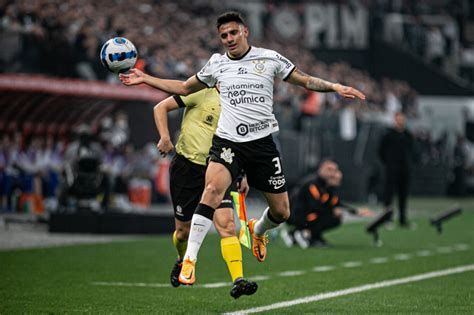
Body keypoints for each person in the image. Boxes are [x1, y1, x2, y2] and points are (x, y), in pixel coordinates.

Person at [119, 11, 365, 285]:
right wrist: (146, 78)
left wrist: (334, 86)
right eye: (223, 35)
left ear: (245, 31)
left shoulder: (269, 58)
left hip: (262, 146)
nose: (228, 39)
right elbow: (184, 87)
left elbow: (305, 80)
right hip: (228, 144)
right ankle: (189, 261)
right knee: (211, 191)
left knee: (282, 212)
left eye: (233, 33)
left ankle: (257, 231)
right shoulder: (216, 64)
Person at [153, 88, 257, 298]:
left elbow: (243, 141)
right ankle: (183, 260)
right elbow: (160, 107)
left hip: (219, 169)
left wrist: (242, 174)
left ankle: (238, 280)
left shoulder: (241, 102)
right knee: (183, 232)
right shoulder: (199, 91)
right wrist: (164, 137)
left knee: (227, 225)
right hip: (187, 169)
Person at [281, 159, 372, 248]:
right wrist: (333, 210)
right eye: (329, 170)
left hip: (309, 215)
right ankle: (302, 233)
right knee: (329, 216)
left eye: (335, 170)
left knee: (334, 217)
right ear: (321, 170)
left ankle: (306, 235)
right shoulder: (312, 185)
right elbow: (315, 206)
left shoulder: (328, 188)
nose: (333, 174)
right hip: (296, 216)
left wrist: (355, 211)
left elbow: (337, 204)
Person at [378, 112, 414, 227]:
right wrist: (388, 163)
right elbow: (381, 151)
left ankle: (403, 220)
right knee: (389, 195)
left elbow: (413, 150)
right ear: (395, 120)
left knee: (403, 195)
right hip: (391, 169)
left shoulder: (408, 135)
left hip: (405, 169)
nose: (400, 122)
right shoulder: (388, 135)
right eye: (398, 119)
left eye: (402, 119)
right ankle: (387, 219)